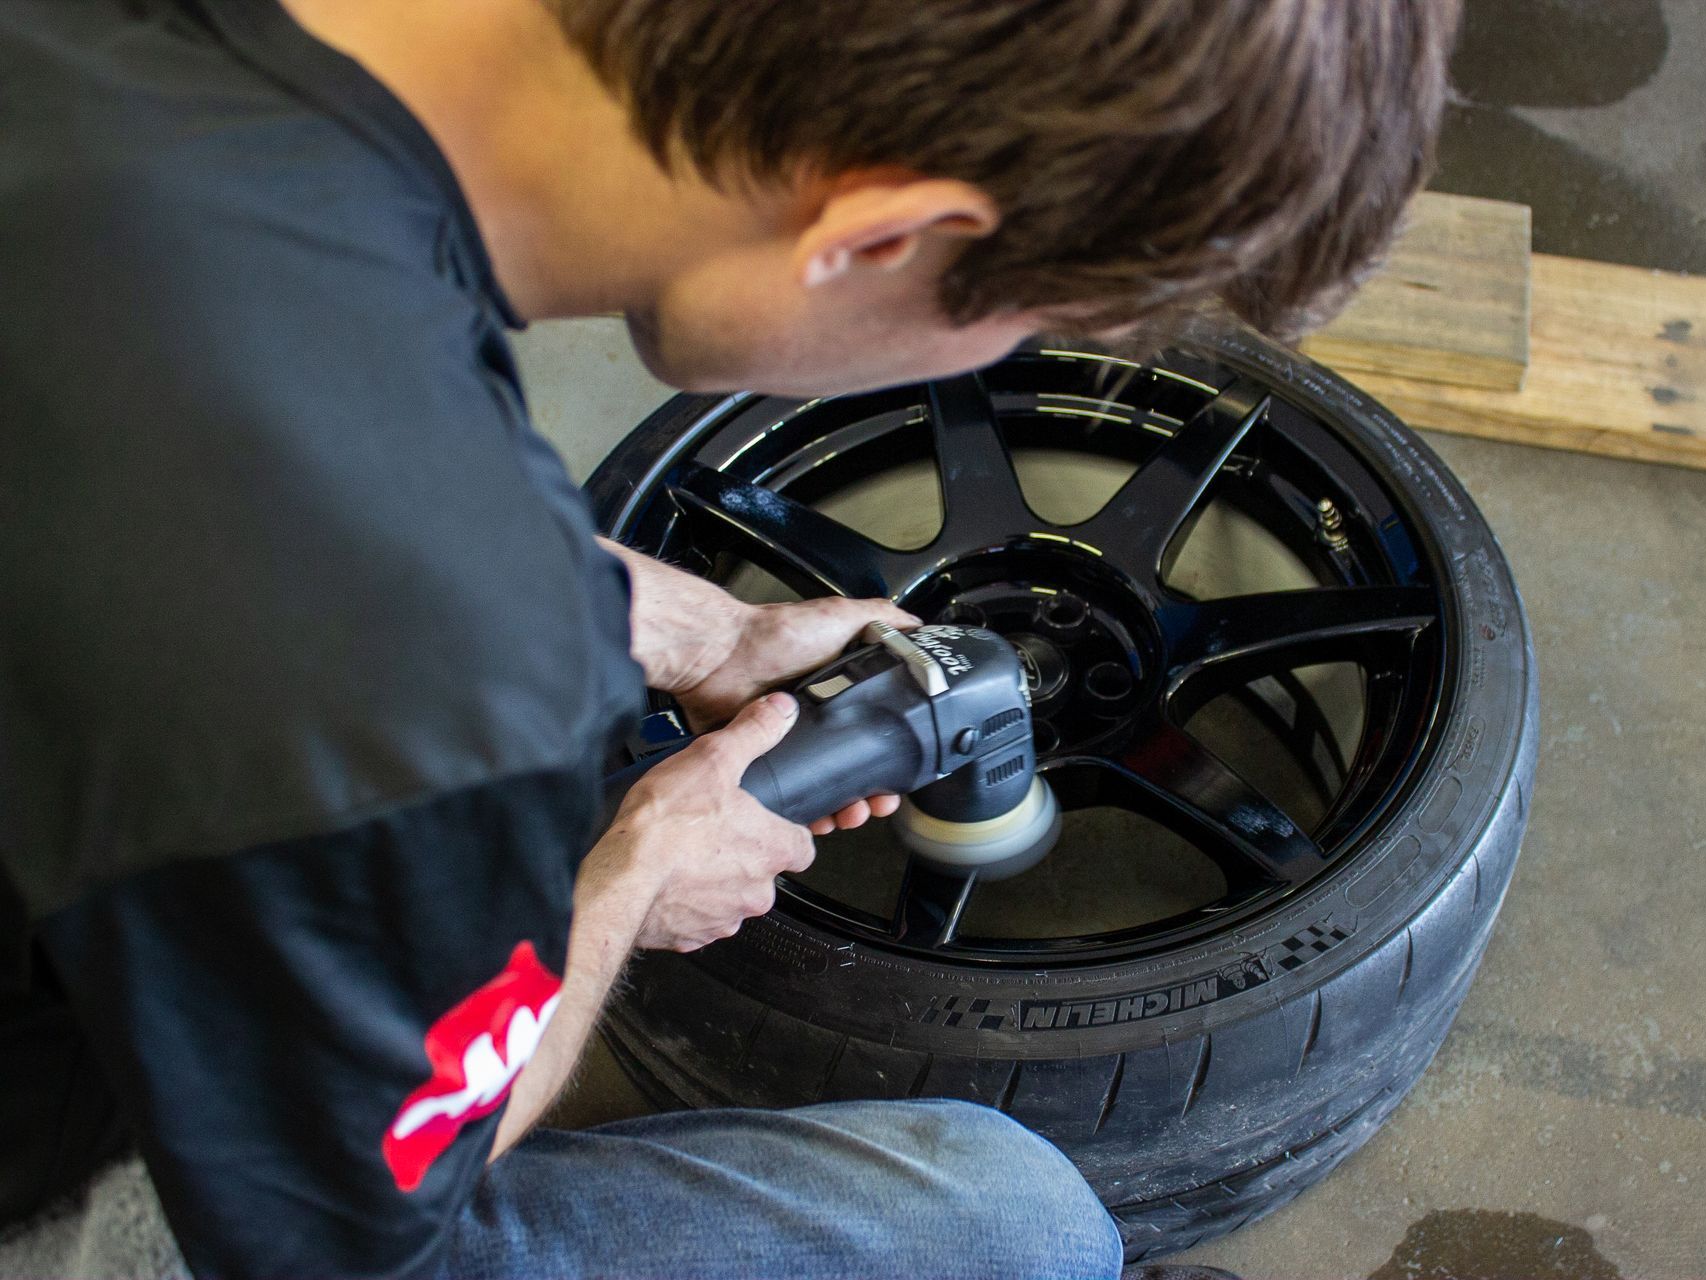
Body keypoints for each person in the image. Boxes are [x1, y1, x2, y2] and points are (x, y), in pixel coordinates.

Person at [0, 0, 1458, 1276]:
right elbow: (354, 1218)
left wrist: (702, 624)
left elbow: (261, 486)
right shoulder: (423, 668)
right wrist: (633, 875)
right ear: (880, 236)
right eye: (1014, 327)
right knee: (1017, 1228)